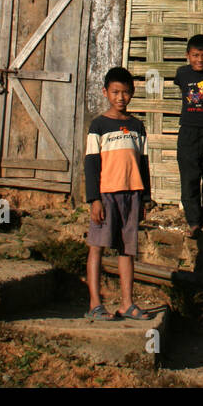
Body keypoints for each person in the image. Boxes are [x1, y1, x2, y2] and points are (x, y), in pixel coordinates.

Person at [84, 66, 150, 321]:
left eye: (125, 92)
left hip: (132, 194)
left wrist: (145, 197)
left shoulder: (137, 126)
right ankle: (94, 303)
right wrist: (95, 199)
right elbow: (91, 164)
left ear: (132, 94)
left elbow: (143, 164)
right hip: (107, 195)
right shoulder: (98, 125)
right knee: (97, 247)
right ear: (105, 92)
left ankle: (127, 304)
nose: (120, 97)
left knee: (127, 249)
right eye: (115, 92)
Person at [172, 33, 203, 237]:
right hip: (188, 132)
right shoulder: (182, 74)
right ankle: (194, 222)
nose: (199, 60)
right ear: (187, 55)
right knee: (190, 178)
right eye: (195, 55)